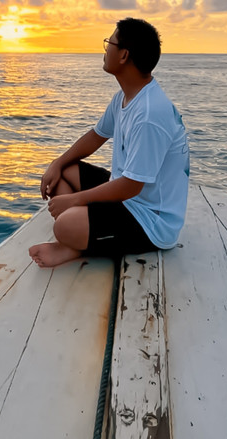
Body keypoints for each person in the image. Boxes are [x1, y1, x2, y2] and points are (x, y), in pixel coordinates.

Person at [28, 18, 190, 268]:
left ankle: (73, 244)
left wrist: (75, 200)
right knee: (65, 172)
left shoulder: (149, 114)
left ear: (124, 55)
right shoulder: (125, 97)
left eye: (109, 43)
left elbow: (132, 186)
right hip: (126, 195)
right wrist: (56, 163)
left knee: (64, 224)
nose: (105, 49)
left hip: (150, 220)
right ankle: (80, 234)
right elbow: (95, 136)